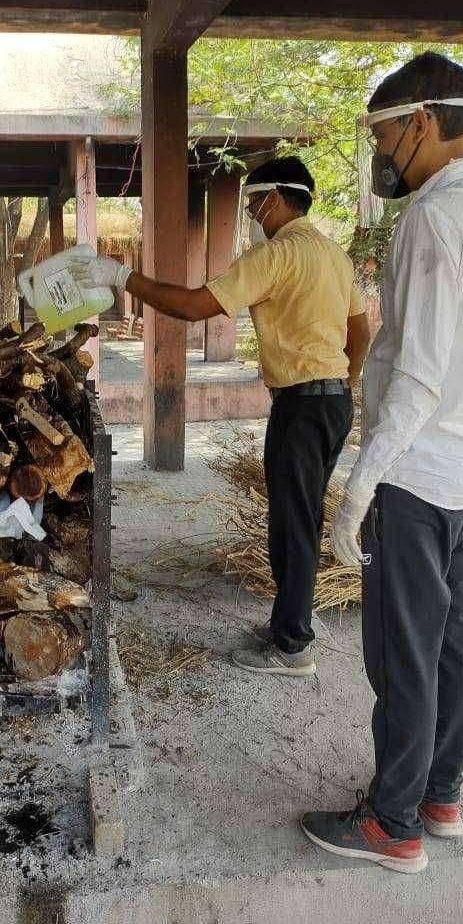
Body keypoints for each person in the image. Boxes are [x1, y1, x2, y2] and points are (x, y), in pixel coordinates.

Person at [300, 52, 463, 874]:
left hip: (417, 478)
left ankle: (392, 824)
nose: (382, 151)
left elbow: (419, 371)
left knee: (402, 649)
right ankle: (440, 795)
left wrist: (361, 488)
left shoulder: (432, 220)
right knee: (451, 641)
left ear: (422, 123)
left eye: (385, 133)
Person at [70, 156, 370, 677]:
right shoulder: (333, 256)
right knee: (300, 515)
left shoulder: (275, 256)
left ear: (275, 198)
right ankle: (286, 624)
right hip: (330, 402)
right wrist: (346, 382)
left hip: (302, 405)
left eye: (255, 203)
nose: (253, 212)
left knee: (295, 523)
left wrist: (123, 276)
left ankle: (294, 647)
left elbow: (190, 306)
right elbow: (360, 332)